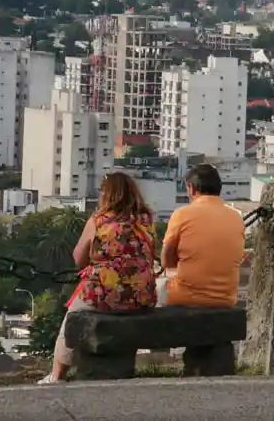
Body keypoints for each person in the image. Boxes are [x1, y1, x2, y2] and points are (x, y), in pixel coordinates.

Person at [39, 173, 158, 384]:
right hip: (142, 296)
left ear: (108, 194)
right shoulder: (147, 218)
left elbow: (78, 259)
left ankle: (58, 375)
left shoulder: (99, 220)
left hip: (105, 296)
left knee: (72, 317)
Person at [161, 163, 246, 308]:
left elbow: (166, 260)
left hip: (185, 297)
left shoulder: (182, 214)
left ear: (191, 188)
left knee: (157, 287)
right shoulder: (236, 217)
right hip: (225, 300)